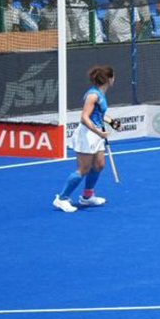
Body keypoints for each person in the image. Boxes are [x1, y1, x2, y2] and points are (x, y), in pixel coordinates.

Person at [53, 65, 120, 212]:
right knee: (83, 169)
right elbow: (84, 117)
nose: (114, 79)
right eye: (113, 77)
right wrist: (98, 132)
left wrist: (111, 122)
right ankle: (62, 198)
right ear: (109, 79)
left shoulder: (102, 94)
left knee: (99, 165)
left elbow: (99, 116)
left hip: (96, 134)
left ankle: (87, 197)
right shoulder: (93, 95)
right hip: (87, 134)